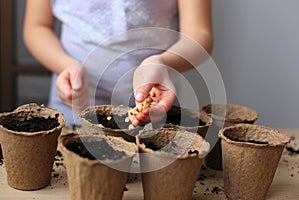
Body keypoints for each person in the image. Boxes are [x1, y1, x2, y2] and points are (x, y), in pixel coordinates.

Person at [23, 0, 213, 126]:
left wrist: (161, 63)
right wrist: (65, 65)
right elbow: (36, 26)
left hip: (154, 112)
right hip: (73, 111)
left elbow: (199, 33)